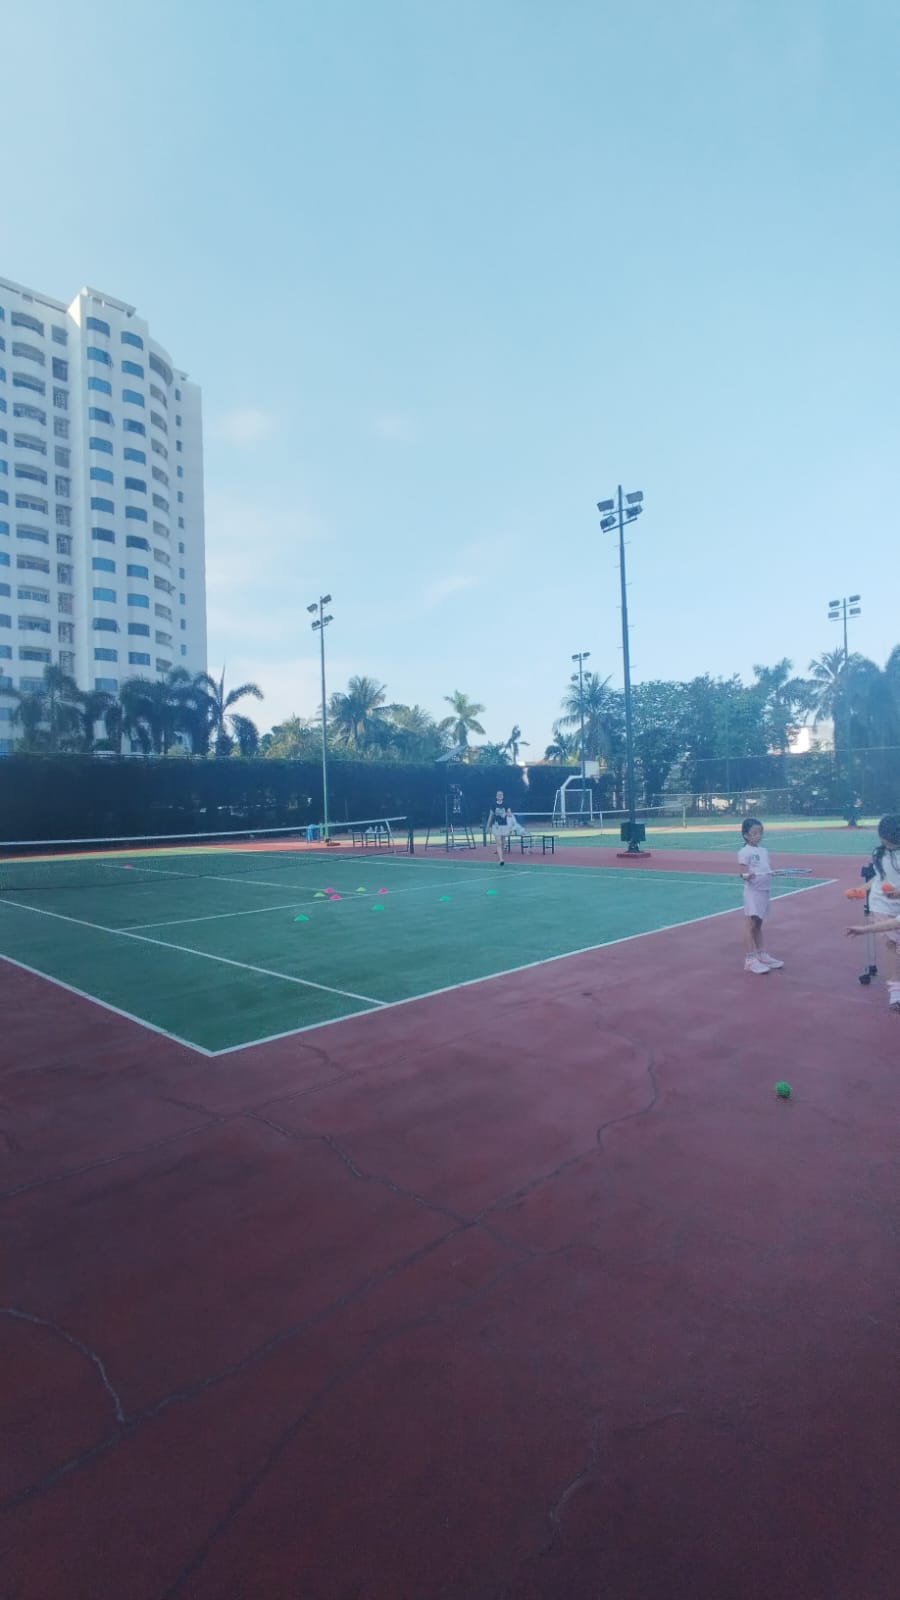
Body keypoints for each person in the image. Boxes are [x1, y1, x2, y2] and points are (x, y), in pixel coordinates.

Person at [846, 813, 900, 1011]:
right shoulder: (880, 854)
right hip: (882, 906)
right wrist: (861, 889)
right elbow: (878, 878)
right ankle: (896, 991)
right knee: (891, 944)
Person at [737, 816, 784, 974]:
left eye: (760, 832)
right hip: (753, 892)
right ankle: (750, 960)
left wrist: (772, 873)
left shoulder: (763, 851)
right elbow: (743, 873)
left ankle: (761, 954)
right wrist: (748, 875)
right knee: (750, 924)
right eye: (755, 833)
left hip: (764, 891)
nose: (759, 836)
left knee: (758, 924)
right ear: (746, 835)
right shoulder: (744, 852)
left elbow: (765, 868)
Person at [487, 790, 525, 864]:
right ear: (496, 796)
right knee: (499, 843)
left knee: (503, 843)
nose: (500, 796)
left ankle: (501, 856)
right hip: (496, 826)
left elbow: (510, 814)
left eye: (501, 795)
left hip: (504, 826)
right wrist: (488, 826)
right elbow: (490, 816)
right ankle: (501, 859)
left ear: (503, 796)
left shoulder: (506, 804)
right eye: (498, 795)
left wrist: (506, 813)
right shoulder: (493, 805)